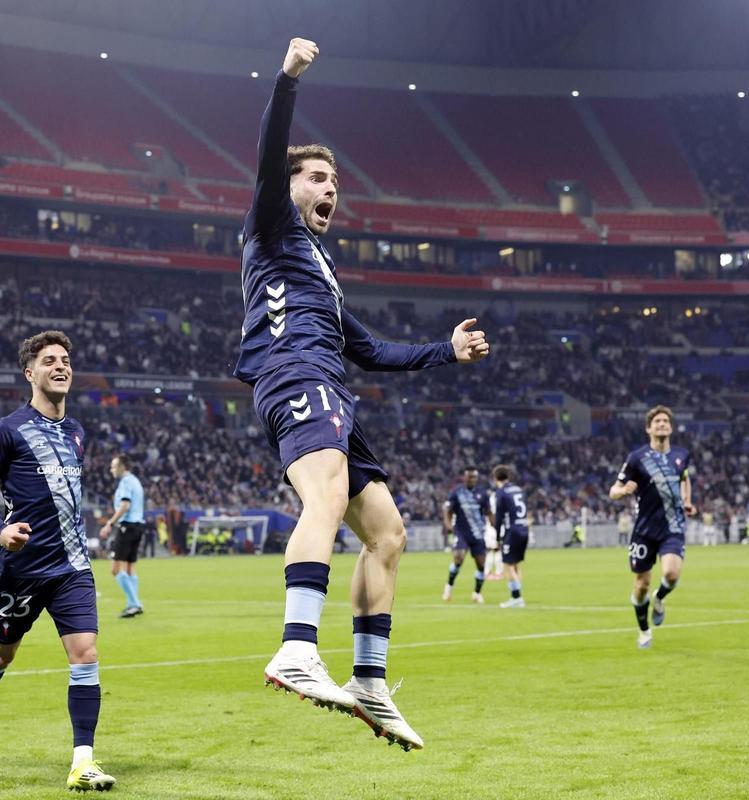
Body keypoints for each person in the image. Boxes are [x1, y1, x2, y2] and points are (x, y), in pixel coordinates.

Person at [233, 38, 489, 752]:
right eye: (317, 178)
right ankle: (296, 646)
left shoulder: (321, 266)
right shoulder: (271, 222)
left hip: (332, 388)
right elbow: (270, 153)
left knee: (388, 533)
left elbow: (370, 350)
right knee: (325, 495)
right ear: (289, 187)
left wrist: (447, 351)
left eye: (335, 182)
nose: (330, 190)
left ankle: (370, 681)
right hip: (294, 375)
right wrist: (287, 79)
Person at [0, 331, 114, 792]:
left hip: (72, 567)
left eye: (65, 360)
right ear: (30, 373)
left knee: (85, 655)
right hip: (21, 569)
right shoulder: (8, 429)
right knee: (0, 654)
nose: (60, 366)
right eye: (49, 361)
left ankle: (83, 761)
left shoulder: (78, 431)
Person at [609, 405, 695, 649]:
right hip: (644, 530)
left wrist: (687, 500)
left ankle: (659, 598)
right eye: (657, 421)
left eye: (665, 421)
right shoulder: (637, 458)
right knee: (641, 585)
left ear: (671, 427)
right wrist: (623, 491)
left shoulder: (681, 455)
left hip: (672, 527)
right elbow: (613, 490)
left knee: (671, 574)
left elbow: (684, 477)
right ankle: (644, 631)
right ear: (648, 428)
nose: (662, 424)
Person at [99, 455, 146, 618]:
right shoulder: (136, 481)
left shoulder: (125, 482)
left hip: (127, 526)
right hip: (138, 526)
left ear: (122, 467)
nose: (111, 470)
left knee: (115, 569)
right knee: (130, 568)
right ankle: (133, 604)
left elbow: (125, 505)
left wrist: (109, 523)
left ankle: (134, 604)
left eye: (114, 466)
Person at [442, 467, 491, 604]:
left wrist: (495, 526)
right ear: (464, 477)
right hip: (461, 532)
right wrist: (448, 525)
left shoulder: (482, 493)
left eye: (474, 477)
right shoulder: (457, 492)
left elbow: (488, 511)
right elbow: (447, 509)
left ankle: (477, 593)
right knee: (459, 558)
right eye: (469, 477)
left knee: (481, 565)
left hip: (478, 533)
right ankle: (449, 587)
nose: (472, 479)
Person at [490, 465, 530, 608]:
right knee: (516, 563)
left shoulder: (501, 493)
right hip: (524, 529)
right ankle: (518, 596)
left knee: (508, 565)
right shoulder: (519, 490)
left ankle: (516, 597)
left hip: (512, 531)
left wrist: (497, 537)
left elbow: (499, 518)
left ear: (495, 478)